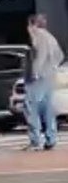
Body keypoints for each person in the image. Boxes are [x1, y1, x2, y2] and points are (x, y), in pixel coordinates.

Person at [23, 13, 63, 151]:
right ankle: (50, 138)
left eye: (29, 25)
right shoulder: (50, 37)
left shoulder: (37, 36)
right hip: (49, 76)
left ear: (33, 25)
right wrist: (52, 67)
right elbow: (60, 55)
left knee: (31, 107)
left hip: (37, 78)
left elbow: (40, 54)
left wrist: (36, 71)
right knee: (47, 109)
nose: (28, 28)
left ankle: (35, 140)